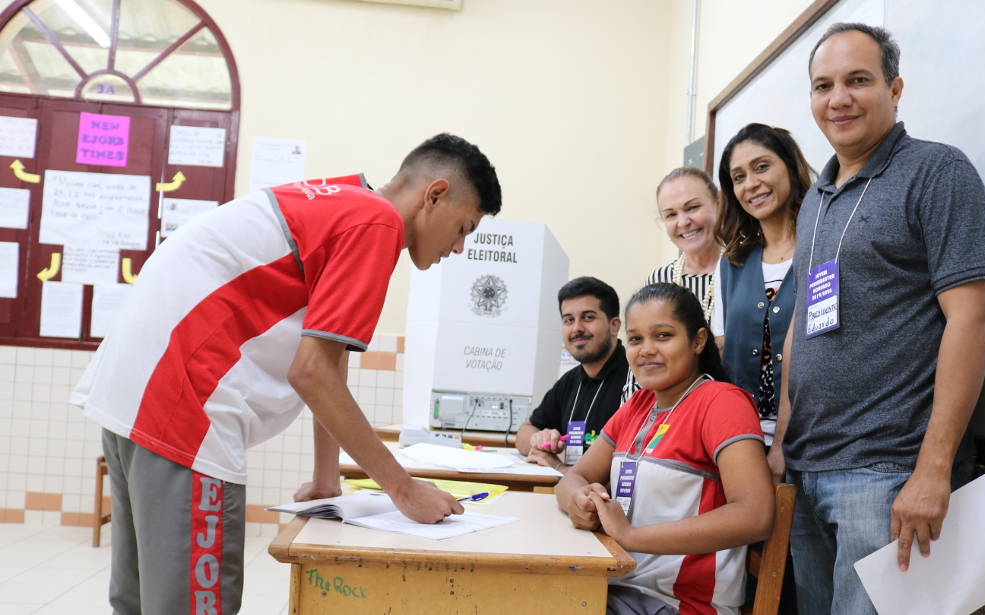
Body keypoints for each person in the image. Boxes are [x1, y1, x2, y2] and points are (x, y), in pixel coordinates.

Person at [70, 133, 502, 615]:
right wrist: (404, 490)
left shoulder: (343, 196)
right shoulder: (378, 223)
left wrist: (325, 477)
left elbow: (330, 358)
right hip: (183, 405)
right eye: (464, 227)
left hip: (133, 393)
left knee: (139, 602)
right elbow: (311, 372)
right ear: (435, 194)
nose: (460, 247)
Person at [770, 23, 985, 614]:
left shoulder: (936, 172)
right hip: (807, 464)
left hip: (889, 473)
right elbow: (803, 326)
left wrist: (932, 469)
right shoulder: (818, 198)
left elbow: (971, 321)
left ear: (895, 89)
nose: (838, 98)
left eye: (858, 80)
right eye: (823, 85)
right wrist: (782, 443)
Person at [556, 283, 776, 615]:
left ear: (698, 340)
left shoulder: (722, 403)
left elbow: (755, 515)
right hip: (614, 587)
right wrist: (579, 500)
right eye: (635, 339)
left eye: (662, 336)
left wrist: (631, 536)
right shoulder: (637, 405)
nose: (645, 350)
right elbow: (573, 477)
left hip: (680, 605)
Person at [712, 124, 815, 446]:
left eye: (761, 167)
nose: (751, 184)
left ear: (790, 167)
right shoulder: (731, 264)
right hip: (741, 437)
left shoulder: (824, 247)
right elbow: (722, 350)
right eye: (739, 177)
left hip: (813, 437)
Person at [516, 277, 629, 472]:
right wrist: (538, 440)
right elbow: (524, 432)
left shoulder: (636, 379)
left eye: (588, 317)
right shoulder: (570, 381)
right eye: (569, 320)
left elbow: (623, 467)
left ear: (614, 326)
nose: (577, 328)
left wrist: (559, 468)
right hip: (572, 494)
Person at [645, 167, 721, 322]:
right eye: (671, 215)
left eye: (693, 207)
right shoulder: (659, 281)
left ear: (718, 205)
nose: (683, 222)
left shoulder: (745, 270)